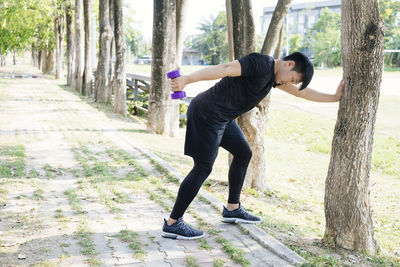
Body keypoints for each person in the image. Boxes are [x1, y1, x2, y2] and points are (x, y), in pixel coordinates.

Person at [161, 52, 344, 240]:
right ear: (289, 64)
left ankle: (232, 209)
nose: (290, 83)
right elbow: (224, 69)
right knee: (203, 167)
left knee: (243, 153)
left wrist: (334, 97)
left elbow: (302, 92)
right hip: (206, 114)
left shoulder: (274, 79)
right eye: (293, 79)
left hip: (222, 118)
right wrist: (187, 80)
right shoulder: (260, 63)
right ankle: (173, 223)